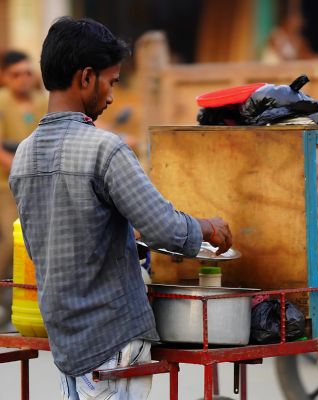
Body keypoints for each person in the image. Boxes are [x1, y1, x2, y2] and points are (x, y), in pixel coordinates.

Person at [9, 17, 232, 400]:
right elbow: (165, 229)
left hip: (66, 340)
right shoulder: (104, 149)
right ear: (86, 78)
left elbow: (41, 246)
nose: (112, 96)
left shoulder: (23, 157)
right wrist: (209, 227)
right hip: (112, 339)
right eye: (111, 82)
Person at [0, 50, 47, 327]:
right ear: (5, 77)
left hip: (37, 183)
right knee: (10, 241)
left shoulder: (41, 102)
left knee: (34, 242)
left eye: (28, 73)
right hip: (5, 184)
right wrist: (21, 166)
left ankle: (28, 300)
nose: (23, 79)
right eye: (16, 74)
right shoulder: (2, 102)